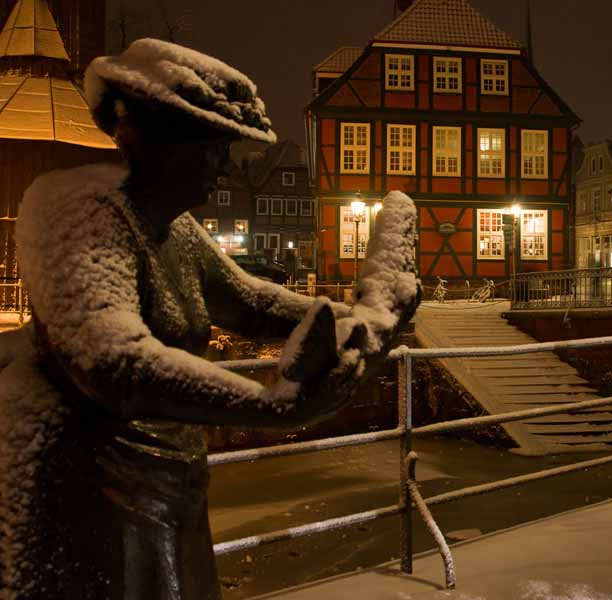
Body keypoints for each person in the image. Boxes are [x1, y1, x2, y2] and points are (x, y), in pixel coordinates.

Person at [0, 39, 418, 599]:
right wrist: (270, 406)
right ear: (158, 142)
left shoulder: (177, 230)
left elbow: (252, 303)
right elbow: (113, 363)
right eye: (214, 148)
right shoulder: (76, 211)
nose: (225, 166)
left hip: (168, 481)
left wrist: (361, 321)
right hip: (87, 492)